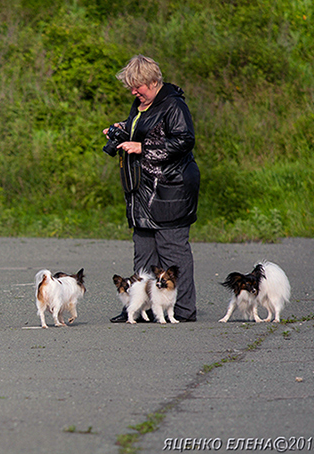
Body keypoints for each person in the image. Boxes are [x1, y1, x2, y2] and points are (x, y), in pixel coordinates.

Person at [104, 55, 200, 323]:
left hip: (170, 188)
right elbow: (143, 133)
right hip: (142, 190)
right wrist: (120, 131)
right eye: (131, 88)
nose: (134, 92)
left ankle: (181, 310)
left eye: (139, 87)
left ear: (154, 81)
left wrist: (143, 148)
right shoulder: (140, 105)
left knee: (172, 251)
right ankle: (139, 309)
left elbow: (184, 141)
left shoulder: (174, 106)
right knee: (144, 251)